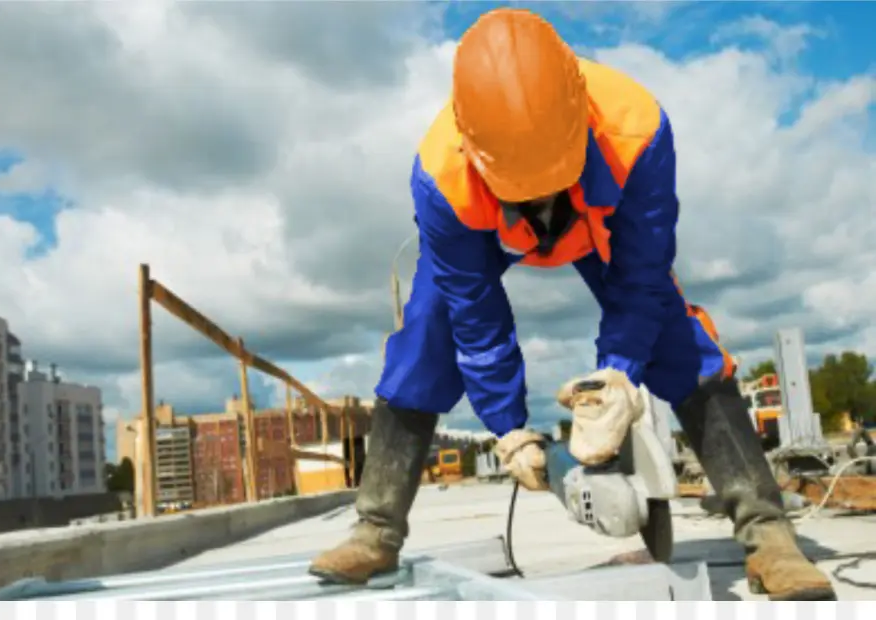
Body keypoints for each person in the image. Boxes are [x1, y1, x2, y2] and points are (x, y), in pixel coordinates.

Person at [309, 8, 836, 601]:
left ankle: (769, 535)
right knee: (427, 332)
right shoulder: (441, 176)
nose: (539, 199)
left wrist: (617, 378)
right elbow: (475, 316)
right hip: (484, 229)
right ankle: (375, 528)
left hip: (597, 220)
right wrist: (508, 429)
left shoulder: (636, 129)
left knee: (673, 332)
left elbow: (640, 276)